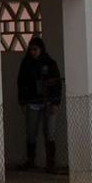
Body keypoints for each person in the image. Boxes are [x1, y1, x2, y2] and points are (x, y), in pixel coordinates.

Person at [17, 36, 62, 172]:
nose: (33, 52)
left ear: (41, 49)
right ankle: (31, 160)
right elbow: (21, 84)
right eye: (31, 50)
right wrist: (22, 102)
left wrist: (55, 102)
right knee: (31, 132)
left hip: (48, 102)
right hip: (32, 103)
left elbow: (57, 84)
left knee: (50, 132)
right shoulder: (26, 64)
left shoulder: (50, 64)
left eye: (35, 49)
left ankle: (51, 163)